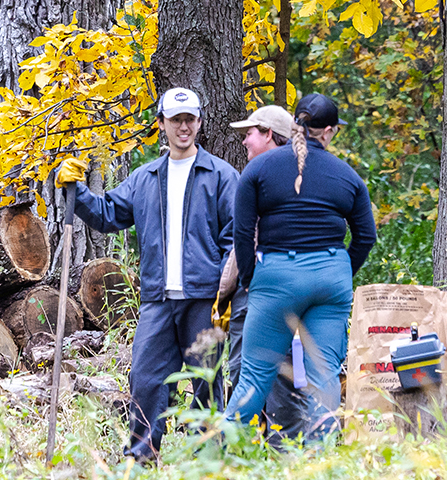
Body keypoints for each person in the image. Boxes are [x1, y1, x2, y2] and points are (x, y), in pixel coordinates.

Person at [56, 87, 240, 463]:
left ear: (200, 122)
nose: (183, 127)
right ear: (162, 125)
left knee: (207, 380)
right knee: (146, 380)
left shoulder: (221, 176)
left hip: (204, 298)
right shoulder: (145, 178)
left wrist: (225, 283)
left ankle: (206, 459)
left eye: (190, 119)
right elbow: (108, 214)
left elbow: (234, 235)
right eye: (176, 120)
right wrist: (74, 189)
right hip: (157, 300)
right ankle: (141, 458)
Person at [227, 93, 376, 442]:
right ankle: (318, 465)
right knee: (323, 378)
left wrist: (251, 278)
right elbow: (366, 236)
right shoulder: (348, 176)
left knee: (254, 376)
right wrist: (338, 271)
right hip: (330, 277)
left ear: (295, 125)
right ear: (329, 131)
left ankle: (216, 457)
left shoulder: (259, 169)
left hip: (276, 276)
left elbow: (243, 230)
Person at [218, 104, 311, 441]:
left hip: (268, 292)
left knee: (266, 376)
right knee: (265, 374)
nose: (244, 142)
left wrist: (232, 288)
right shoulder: (290, 174)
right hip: (274, 293)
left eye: (249, 134)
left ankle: (269, 455)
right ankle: (265, 454)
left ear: (269, 134)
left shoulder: (276, 178)